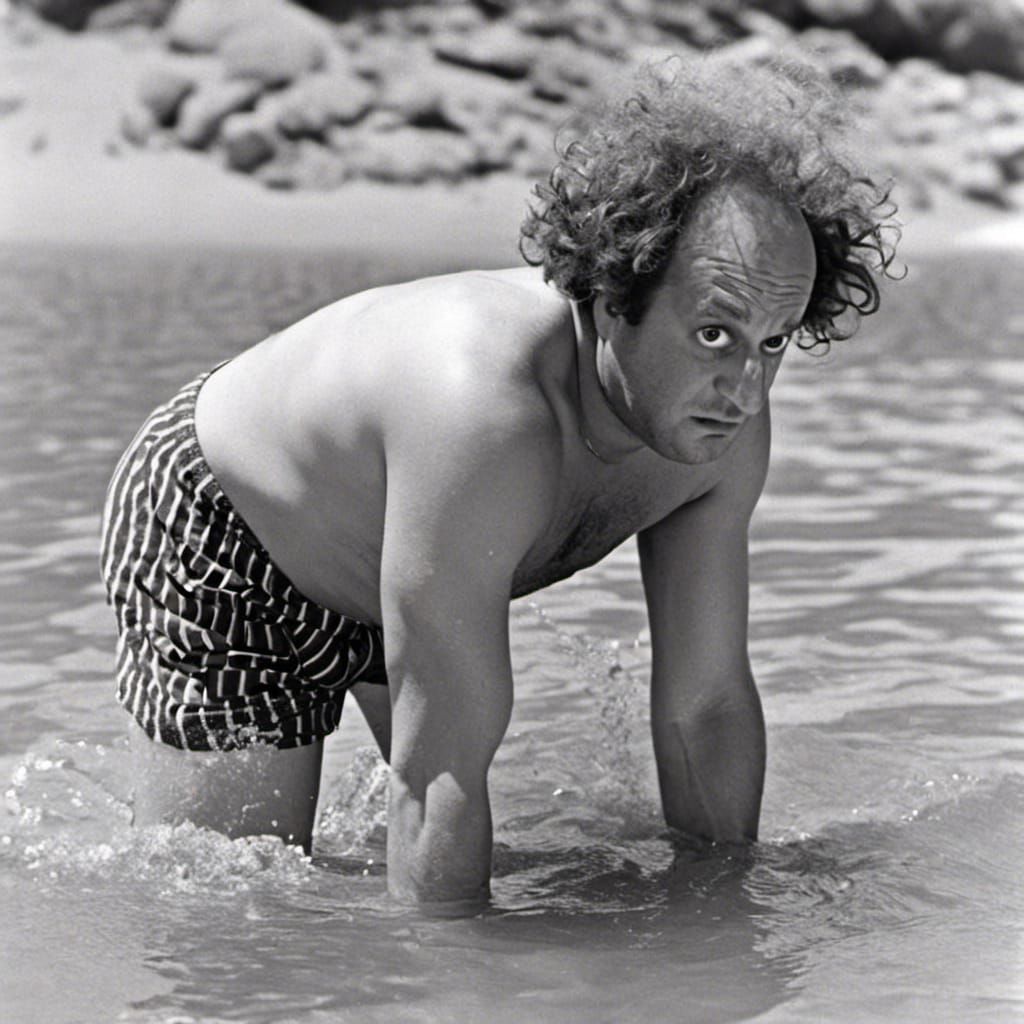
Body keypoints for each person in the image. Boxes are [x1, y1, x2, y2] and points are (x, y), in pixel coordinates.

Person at [100, 54, 897, 913]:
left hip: (394, 548)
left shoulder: (719, 429)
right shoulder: (484, 415)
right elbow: (440, 770)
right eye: (714, 334)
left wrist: (727, 924)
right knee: (236, 907)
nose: (745, 388)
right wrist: (461, 976)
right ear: (613, 295)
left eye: (774, 342)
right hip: (228, 526)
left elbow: (704, 706)